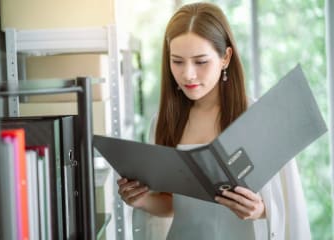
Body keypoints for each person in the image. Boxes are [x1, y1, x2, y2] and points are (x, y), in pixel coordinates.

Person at [117, 2, 311, 240]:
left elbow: (290, 205)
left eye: (200, 61)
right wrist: (143, 200)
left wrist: (260, 210)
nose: (188, 74)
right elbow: (171, 203)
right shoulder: (163, 123)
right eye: (177, 61)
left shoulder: (259, 118)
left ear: (225, 57)